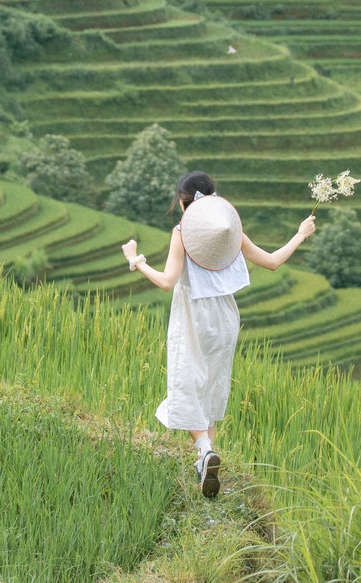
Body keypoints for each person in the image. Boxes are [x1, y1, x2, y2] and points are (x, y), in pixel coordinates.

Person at [122, 169, 316, 497]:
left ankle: (203, 451)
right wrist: (300, 234)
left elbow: (168, 282)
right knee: (212, 385)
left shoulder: (182, 232)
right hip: (226, 317)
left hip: (193, 315)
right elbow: (271, 262)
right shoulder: (231, 230)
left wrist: (135, 261)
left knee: (186, 382)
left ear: (185, 204)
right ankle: (205, 467)